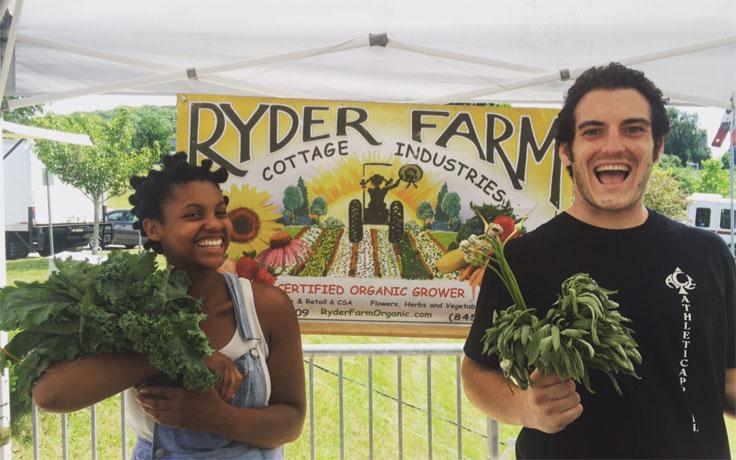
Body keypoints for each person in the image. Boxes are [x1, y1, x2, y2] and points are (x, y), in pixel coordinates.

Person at [462, 63, 736, 458]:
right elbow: (476, 373)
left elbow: (727, 377)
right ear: (566, 151)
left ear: (658, 146)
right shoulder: (520, 260)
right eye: (593, 131)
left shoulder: (708, 254)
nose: (613, 146)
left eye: (633, 129)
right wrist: (525, 408)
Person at [32, 153, 306, 459]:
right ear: (153, 229)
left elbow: (292, 423)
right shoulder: (126, 307)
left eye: (220, 212)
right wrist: (178, 355)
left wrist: (218, 417)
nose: (214, 224)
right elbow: (50, 395)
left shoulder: (266, 306)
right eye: (193, 215)